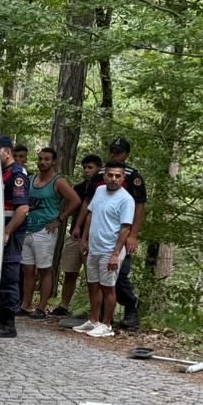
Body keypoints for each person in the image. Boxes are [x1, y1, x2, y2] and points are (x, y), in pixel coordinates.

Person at [77, 138, 147, 329]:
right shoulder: (99, 177)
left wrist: (133, 235)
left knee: (120, 275)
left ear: (126, 154)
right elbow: (88, 203)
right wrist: (79, 228)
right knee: (94, 279)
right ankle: (95, 318)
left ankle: (128, 310)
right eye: (112, 150)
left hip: (120, 235)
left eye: (119, 151)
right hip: (98, 236)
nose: (115, 153)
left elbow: (140, 206)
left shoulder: (133, 177)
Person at [73, 162, 134, 339]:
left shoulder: (126, 199)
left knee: (108, 287)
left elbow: (125, 229)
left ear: (123, 178)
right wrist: (84, 239)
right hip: (94, 246)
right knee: (93, 284)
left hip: (110, 249)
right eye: (110, 175)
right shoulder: (99, 191)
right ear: (104, 176)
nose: (113, 179)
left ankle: (107, 324)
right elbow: (91, 215)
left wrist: (116, 254)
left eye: (118, 176)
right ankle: (94, 320)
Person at [19, 147, 80, 319]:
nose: (42, 162)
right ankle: (25, 304)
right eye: (40, 159)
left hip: (45, 230)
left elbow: (75, 200)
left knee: (45, 269)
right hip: (28, 228)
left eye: (46, 159)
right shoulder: (30, 179)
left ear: (53, 162)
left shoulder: (58, 181)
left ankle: (42, 307)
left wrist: (60, 220)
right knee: (28, 270)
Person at [0, 135, 28, 338]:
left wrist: (7, 231)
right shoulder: (2, 172)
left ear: (7, 152)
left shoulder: (17, 174)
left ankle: (8, 324)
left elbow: (22, 209)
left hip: (11, 231)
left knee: (9, 275)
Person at [57, 154, 101, 318]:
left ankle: (95, 311)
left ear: (98, 169)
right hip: (74, 234)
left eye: (90, 167)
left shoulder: (102, 189)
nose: (87, 170)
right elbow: (73, 208)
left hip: (91, 238)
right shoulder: (79, 188)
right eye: (85, 167)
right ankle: (63, 305)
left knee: (93, 276)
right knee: (70, 271)